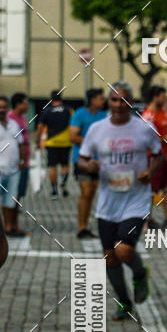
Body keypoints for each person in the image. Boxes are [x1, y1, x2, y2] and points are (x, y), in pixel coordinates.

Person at [77, 81, 161, 320]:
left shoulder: (144, 128)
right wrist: (89, 165)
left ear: (131, 102)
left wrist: (150, 171)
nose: (118, 104)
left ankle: (139, 273)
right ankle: (124, 302)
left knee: (123, 249)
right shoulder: (97, 129)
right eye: (114, 99)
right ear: (108, 102)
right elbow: (82, 159)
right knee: (110, 256)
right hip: (108, 202)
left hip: (136, 200)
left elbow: (159, 156)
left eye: (123, 100)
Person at [142, 85, 167, 230]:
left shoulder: (162, 112)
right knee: (150, 190)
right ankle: (146, 220)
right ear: (155, 97)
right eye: (163, 97)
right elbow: (145, 139)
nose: (165, 99)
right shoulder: (148, 116)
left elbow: (164, 131)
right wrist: (165, 138)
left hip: (164, 155)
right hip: (152, 157)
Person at [70, 87, 106, 239]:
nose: (103, 101)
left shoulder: (103, 115)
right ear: (92, 100)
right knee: (86, 192)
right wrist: (91, 143)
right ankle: (81, 227)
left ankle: (86, 225)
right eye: (100, 98)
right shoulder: (79, 114)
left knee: (92, 193)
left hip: (99, 161)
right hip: (82, 160)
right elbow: (73, 136)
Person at [36, 90, 72, 199]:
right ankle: (64, 182)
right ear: (61, 98)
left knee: (52, 166)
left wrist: (38, 141)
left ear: (51, 99)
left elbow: (40, 127)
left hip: (51, 143)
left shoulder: (47, 111)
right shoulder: (69, 110)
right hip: (66, 142)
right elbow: (75, 125)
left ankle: (54, 191)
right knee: (65, 165)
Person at [0, 96, 26, 238]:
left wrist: (22, 160)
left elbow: (20, 143)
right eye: (0, 107)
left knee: (10, 201)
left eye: (4, 107)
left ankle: (8, 227)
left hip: (13, 170)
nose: (2, 109)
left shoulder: (14, 124)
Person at [7, 92, 30, 236]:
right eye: (25, 103)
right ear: (18, 104)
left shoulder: (23, 118)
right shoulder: (10, 119)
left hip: (24, 163)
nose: (27, 106)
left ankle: (14, 224)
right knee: (12, 196)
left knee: (18, 195)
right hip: (14, 164)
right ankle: (10, 226)